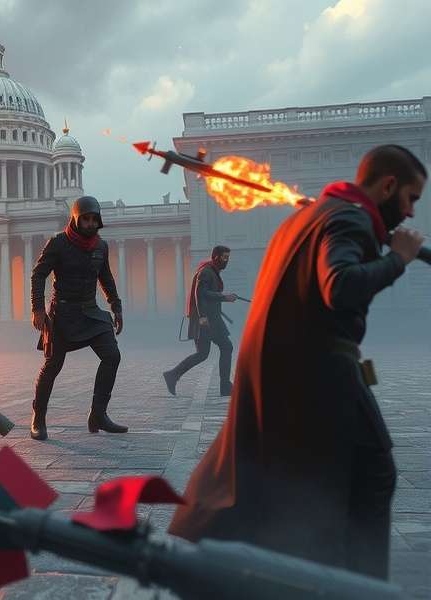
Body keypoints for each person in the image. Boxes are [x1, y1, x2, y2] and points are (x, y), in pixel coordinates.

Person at [168, 145, 426, 579]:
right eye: (411, 198)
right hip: (320, 369)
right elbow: (340, 287)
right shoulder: (349, 218)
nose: (412, 212)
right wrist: (397, 259)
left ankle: (310, 572)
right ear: (387, 185)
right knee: (372, 471)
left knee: (292, 481)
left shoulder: (313, 216)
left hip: (285, 369)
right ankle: (358, 586)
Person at [29, 195, 126, 441]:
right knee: (52, 366)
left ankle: (98, 415)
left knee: (112, 356)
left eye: (95, 219)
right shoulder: (58, 243)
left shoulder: (101, 246)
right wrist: (38, 309)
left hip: (91, 312)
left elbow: (106, 278)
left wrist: (116, 306)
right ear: (75, 219)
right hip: (62, 314)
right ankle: (38, 418)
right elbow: (38, 275)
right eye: (86, 219)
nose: (91, 224)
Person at [163, 246, 237, 397]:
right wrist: (223, 298)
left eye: (228, 258)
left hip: (212, 319)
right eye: (224, 257)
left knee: (219, 349)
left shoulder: (211, 271)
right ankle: (173, 375)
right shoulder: (206, 272)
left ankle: (224, 385)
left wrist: (225, 297)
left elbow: (207, 294)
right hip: (205, 320)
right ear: (216, 257)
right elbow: (200, 293)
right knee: (208, 352)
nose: (226, 261)